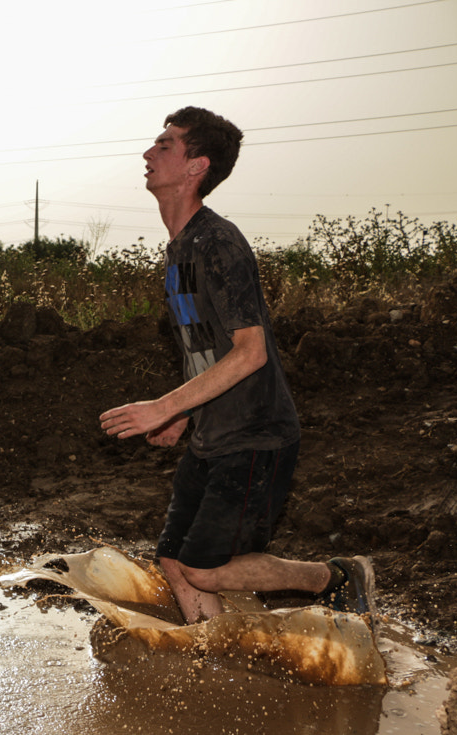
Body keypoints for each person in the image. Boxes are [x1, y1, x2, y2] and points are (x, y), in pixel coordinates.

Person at [99, 106, 374, 624]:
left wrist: (162, 405)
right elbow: (205, 346)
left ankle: (336, 577)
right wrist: (182, 415)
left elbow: (252, 351)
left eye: (165, 145)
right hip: (213, 431)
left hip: (255, 435)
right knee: (173, 561)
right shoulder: (180, 249)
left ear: (196, 166)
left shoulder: (218, 242)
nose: (148, 153)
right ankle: (214, 655)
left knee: (203, 569)